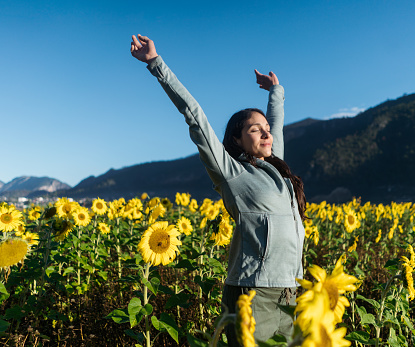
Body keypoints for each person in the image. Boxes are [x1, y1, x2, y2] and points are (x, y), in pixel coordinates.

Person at [130, 34, 306, 345]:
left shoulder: (278, 169)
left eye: (267, 130)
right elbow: (195, 116)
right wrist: (156, 64)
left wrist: (275, 92)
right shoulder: (233, 173)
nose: (266, 134)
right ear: (237, 139)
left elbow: (276, 124)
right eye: (256, 129)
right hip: (253, 291)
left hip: (290, 291)